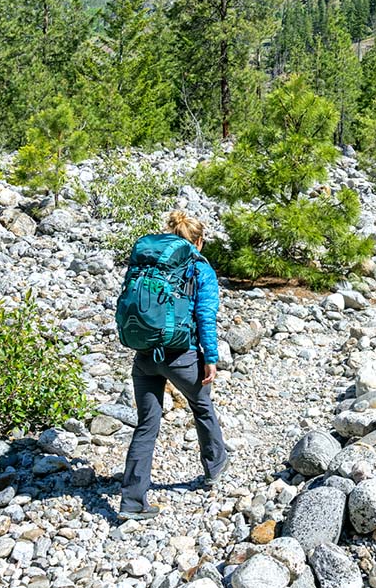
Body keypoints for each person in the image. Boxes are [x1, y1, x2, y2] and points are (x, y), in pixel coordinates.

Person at [119, 211, 228, 520]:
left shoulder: (149, 265)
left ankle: (132, 501)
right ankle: (215, 467)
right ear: (199, 241)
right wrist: (210, 358)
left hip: (145, 355)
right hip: (181, 355)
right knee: (202, 406)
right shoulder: (199, 269)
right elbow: (205, 316)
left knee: (147, 424)